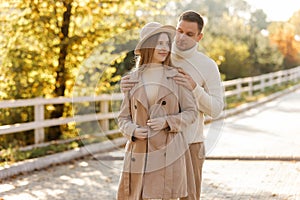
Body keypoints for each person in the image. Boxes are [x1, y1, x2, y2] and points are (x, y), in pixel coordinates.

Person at [120, 11, 224, 200]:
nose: (181, 38)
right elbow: (142, 78)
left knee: (188, 196)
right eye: (179, 31)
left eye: (189, 34)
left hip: (190, 143)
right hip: (152, 145)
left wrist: (194, 88)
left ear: (199, 37)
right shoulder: (163, 53)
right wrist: (125, 87)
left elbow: (216, 109)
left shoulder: (207, 65)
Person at [117, 22, 197, 200]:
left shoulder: (176, 76)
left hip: (168, 151)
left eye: (167, 43)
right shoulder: (132, 79)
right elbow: (123, 118)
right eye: (159, 43)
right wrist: (133, 130)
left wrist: (167, 122)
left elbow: (192, 112)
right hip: (139, 152)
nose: (164, 48)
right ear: (148, 46)